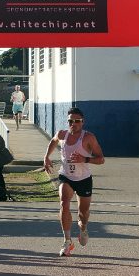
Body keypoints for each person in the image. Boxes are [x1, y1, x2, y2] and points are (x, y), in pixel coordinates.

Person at [43, 107, 105, 256]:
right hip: (66, 176)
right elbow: (53, 140)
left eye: (77, 121)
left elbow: (101, 159)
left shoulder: (88, 137)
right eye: (71, 121)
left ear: (82, 122)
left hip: (83, 179)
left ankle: (83, 228)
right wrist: (46, 157)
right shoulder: (62, 134)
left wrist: (85, 159)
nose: (74, 123)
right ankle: (67, 241)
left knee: (83, 214)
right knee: (64, 203)